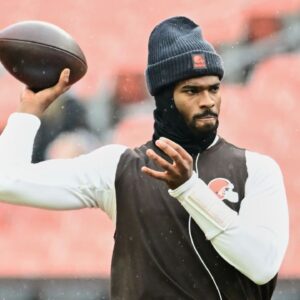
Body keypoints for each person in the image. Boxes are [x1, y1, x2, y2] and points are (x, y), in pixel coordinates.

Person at [0, 16, 288, 300]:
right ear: (164, 98)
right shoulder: (118, 168)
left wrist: (190, 189)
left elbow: (261, 266)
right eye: (192, 90)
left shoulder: (257, 169)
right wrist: (28, 113)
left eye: (214, 88)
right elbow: (6, 181)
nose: (208, 101)